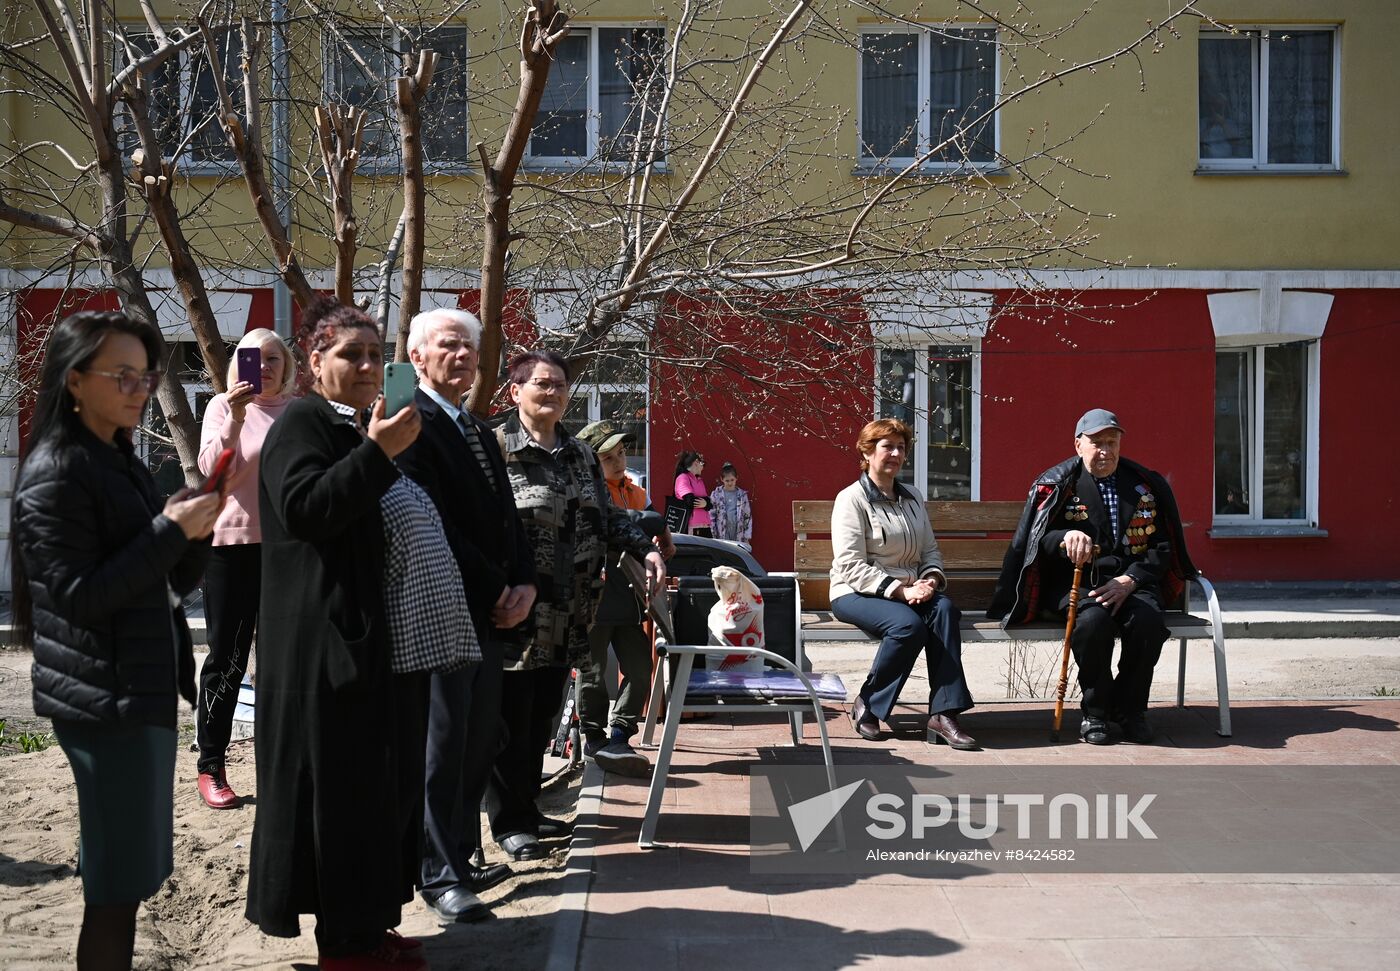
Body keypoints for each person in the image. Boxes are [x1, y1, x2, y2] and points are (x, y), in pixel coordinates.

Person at [10, 310, 220, 971]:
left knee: (129, 878)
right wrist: (170, 534)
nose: (139, 389)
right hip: (103, 703)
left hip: (137, 692)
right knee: (114, 886)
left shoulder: (117, 459)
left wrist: (196, 530)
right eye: (122, 375)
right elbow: (80, 597)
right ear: (75, 382)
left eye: (145, 375)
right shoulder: (56, 471)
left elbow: (155, 577)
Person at [245, 298, 432, 970]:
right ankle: (344, 944)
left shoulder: (353, 427)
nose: (364, 366)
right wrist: (378, 452)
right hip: (317, 647)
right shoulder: (301, 420)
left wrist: (378, 447)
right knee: (335, 793)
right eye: (349, 354)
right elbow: (305, 508)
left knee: (364, 791)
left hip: (355, 638)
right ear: (314, 361)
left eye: (373, 356)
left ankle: (364, 924)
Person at [488, 351, 666, 861]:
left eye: (560, 384)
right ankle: (507, 822)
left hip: (571, 613)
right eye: (541, 384)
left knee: (542, 717)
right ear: (515, 391)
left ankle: (527, 809)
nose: (553, 392)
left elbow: (607, 516)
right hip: (516, 612)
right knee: (510, 720)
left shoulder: (579, 453)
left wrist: (645, 548)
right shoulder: (495, 446)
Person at [395, 308, 537, 923]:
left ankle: (461, 850)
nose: (461, 357)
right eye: (447, 346)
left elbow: (509, 517)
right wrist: (494, 584)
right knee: (443, 741)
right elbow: (430, 519)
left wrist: (524, 581)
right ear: (418, 356)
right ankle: (438, 873)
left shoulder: (478, 430)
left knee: (478, 737)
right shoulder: (407, 420)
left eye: (470, 348)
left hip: (489, 606)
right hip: (440, 603)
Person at [987, 408, 1196, 746]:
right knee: (1093, 625)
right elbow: (1035, 541)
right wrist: (1064, 537)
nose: (1106, 451)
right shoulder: (1060, 484)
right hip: (1078, 582)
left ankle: (1130, 711)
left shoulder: (1143, 484)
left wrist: (1131, 580)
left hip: (1131, 583)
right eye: (1097, 443)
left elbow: (1161, 547)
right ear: (1078, 445)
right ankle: (1096, 714)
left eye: (1112, 443)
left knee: (1147, 625)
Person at [194, 327, 296, 810]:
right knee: (228, 661)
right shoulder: (221, 407)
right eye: (255, 358)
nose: (267, 366)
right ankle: (211, 766)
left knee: (283, 663)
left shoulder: (300, 411)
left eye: (275, 358)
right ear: (240, 363)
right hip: (232, 548)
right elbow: (215, 473)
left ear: (287, 365)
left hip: (288, 552)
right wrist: (234, 418)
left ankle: (281, 767)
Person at [828, 418, 977, 748]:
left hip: (910, 590)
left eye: (901, 447)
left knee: (945, 611)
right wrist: (900, 590)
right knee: (909, 626)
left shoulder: (912, 497)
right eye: (887, 447)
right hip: (855, 592)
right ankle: (869, 704)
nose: (895, 453)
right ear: (867, 453)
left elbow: (930, 550)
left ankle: (944, 714)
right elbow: (850, 565)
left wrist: (930, 581)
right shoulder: (851, 500)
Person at [575, 420, 675, 778]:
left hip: (631, 599)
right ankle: (593, 736)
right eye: (608, 457)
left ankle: (620, 733)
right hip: (594, 600)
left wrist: (656, 527)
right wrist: (654, 523)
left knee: (639, 667)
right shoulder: (586, 491)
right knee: (593, 671)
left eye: (621, 454)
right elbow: (630, 522)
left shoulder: (634, 490)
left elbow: (644, 519)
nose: (619, 462)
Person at [710, 461, 753, 547]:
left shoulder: (742, 495)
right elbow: (711, 514)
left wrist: (747, 537)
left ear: (737, 478)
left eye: (732, 480)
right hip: (721, 531)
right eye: (727, 480)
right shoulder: (716, 494)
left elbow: (747, 516)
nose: (730, 483)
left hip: (738, 531)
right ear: (722, 479)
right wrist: (713, 533)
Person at [673, 450, 712, 536]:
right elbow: (690, 501)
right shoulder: (683, 478)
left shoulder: (699, 480)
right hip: (691, 526)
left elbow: (709, 502)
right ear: (696, 462)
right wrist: (706, 503)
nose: (703, 467)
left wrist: (706, 503)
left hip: (704, 525)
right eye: (703, 464)